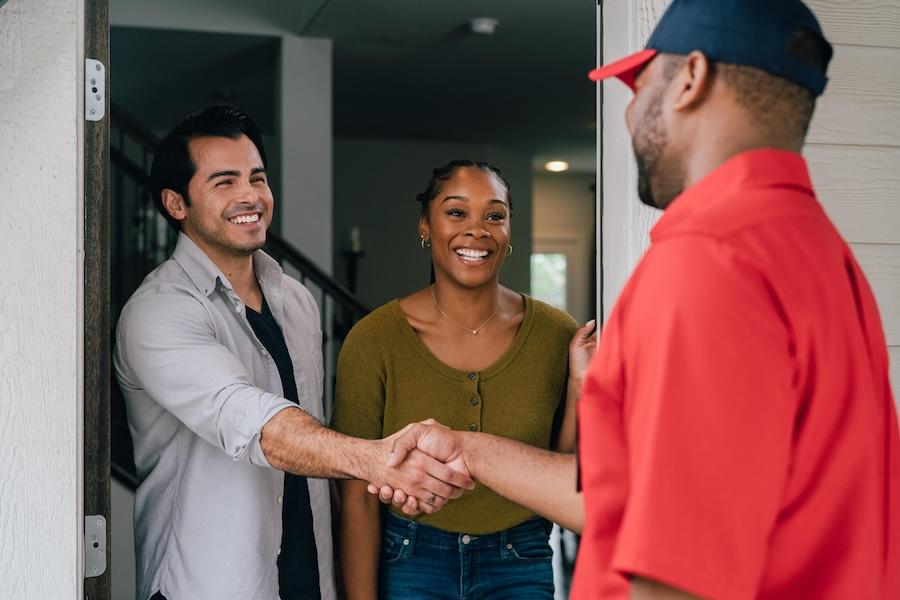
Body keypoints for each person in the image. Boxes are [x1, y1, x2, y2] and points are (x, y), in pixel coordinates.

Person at [374, 1, 900, 599]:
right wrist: (469, 449)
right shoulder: (825, 255)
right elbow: (633, 499)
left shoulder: (707, 261)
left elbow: (676, 572)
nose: (628, 113)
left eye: (639, 84)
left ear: (691, 78)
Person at [113, 106, 473, 600]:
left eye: (257, 178)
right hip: (210, 584)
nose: (250, 196)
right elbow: (257, 424)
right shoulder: (159, 312)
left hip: (306, 578)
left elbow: (311, 432)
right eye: (224, 182)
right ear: (176, 203)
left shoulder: (296, 299)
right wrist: (377, 460)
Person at [330, 160, 588, 599]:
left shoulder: (555, 334)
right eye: (456, 212)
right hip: (410, 560)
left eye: (494, 215)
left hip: (521, 560)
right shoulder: (374, 340)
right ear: (425, 226)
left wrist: (580, 386)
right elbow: (357, 495)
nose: (477, 230)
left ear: (508, 232)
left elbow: (561, 476)